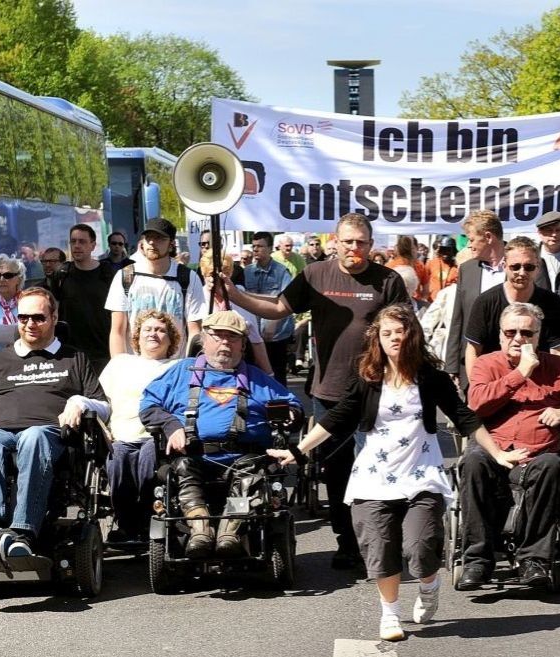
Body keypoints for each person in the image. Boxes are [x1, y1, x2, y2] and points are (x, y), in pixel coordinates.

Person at [273, 304, 507, 640]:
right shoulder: (368, 378)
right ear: (378, 339)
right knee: (380, 546)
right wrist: (298, 451)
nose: (394, 338)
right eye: (387, 333)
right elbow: (337, 417)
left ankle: (429, 585)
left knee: (421, 547)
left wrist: (497, 453)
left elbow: (464, 417)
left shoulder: (431, 378)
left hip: (420, 475)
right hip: (374, 477)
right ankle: (390, 615)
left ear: (412, 334)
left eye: (400, 331)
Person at [221, 213, 410, 569]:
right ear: (334, 242)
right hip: (330, 391)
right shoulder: (316, 274)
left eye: (362, 242)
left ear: (371, 245)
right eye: (348, 241)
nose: (355, 248)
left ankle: (383, 540)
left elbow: (405, 333)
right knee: (337, 471)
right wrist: (235, 295)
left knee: (380, 468)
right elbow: (278, 307)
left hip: (377, 392)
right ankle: (348, 542)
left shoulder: (388, 281)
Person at [139, 310, 302, 558]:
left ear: (243, 345)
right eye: (218, 336)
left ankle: (230, 531)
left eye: (232, 338)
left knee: (250, 473)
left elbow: (293, 406)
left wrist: (291, 413)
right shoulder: (181, 371)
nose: (225, 342)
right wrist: (172, 426)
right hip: (193, 456)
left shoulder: (258, 379)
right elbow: (148, 405)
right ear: (204, 340)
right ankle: (200, 529)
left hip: (244, 459)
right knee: (181, 469)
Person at [0, 287, 109, 559]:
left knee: (34, 436)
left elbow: (103, 405)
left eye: (39, 318)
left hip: (49, 433)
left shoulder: (73, 357)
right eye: (23, 317)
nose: (30, 324)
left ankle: (22, 532)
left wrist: (79, 402)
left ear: (54, 317)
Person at [462, 302, 560, 589]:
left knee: (553, 467)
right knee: (472, 462)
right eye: (510, 332)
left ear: (538, 335)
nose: (518, 339)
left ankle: (533, 560)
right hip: (495, 452)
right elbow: (475, 405)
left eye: (527, 333)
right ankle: (477, 560)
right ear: (500, 335)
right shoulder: (487, 364)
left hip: (540, 454)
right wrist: (520, 373)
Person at [99, 310, 180, 542]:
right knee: (118, 459)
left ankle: (148, 519)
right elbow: (101, 398)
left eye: (160, 330)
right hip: (121, 436)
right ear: (137, 336)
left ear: (171, 338)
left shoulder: (177, 367)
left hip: (158, 436)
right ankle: (125, 524)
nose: (153, 333)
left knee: (147, 456)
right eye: (148, 329)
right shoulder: (120, 363)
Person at [463, 236, 560, 381]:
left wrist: (559, 390)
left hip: (539, 387)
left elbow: (557, 352)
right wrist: (478, 390)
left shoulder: (552, 302)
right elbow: (473, 351)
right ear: (504, 265)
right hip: (495, 383)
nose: (522, 272)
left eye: (529, 267)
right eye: (515, 267)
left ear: (538, 267)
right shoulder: (485, 302)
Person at [105, 218, 205, 359]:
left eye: (159, 238)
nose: (152, 242)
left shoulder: (188, 278)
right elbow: (117, 330)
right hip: (136, 367)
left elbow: (194, 331)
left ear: (171, 245)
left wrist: (187, 369)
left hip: (175, 368)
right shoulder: (125, 276)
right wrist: (119, 368)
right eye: (148, 238)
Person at [445, 210, 506, 391]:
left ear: (488, 237)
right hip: (473, 365)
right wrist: (452, 364)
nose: (468, 246)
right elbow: (458, 317)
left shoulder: (523, 265)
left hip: (512, 363)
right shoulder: (467, 270)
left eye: (471, 240)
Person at [48, 224, 115, 373]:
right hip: (69, 353)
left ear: (93, 245)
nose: (77, 246)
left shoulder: (108, 273)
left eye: (82, 241)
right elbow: (54, 309)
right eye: (73, 241)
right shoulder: (62, 274)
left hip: (103, 352)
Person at [202, 250, 273, 376]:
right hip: (206, 369)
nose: (216, 280)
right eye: (211, 275)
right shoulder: (199, 297)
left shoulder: (240, 295)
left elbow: (256, 340)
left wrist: (269, 375)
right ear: (204, 274)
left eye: (224, 274)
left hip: (240, 368)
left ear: (230, 274)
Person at [244, 231, 294, 385]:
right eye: (254, 246)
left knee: (277, 376)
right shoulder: (247, 272)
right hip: (252, 333)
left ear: (271, 248)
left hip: (276, 336)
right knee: (253, 375)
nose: (256, 249)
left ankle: (282, 406)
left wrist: (273, 326)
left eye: (260, 246)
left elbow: (285, 302)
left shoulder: (282, 272)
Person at [387, 235, 430, 303]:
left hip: (415, 306)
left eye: (412, 248)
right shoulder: (390, 266)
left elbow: (426, 289)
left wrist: (422, 302)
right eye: (407, 249)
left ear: (416, 248)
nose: (410, 251)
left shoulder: (421, 266)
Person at [426, 235, 459, 301]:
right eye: (443, 250)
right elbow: (424, 282)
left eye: (448, 250)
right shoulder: (431, 263)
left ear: (453, 252)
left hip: (449, 301)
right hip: (432, 301)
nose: (445, 253)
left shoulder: (457, 267)